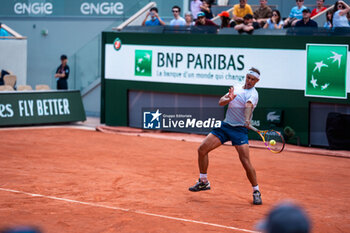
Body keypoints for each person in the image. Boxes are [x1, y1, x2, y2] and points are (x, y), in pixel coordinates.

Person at [188, 67, 263, 205]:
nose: (249, 81)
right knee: (202, 149)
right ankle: (203, 181)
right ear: (245, 76)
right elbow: (220, 102)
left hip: (239, 130)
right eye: (248, 77)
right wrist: (228, 98)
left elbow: (248, 106)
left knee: (245, 162)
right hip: (225, 126)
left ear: (257, 81)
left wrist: (247, 119)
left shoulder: (253, 94)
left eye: (253, 79)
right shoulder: (236, 88)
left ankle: (256, 191)